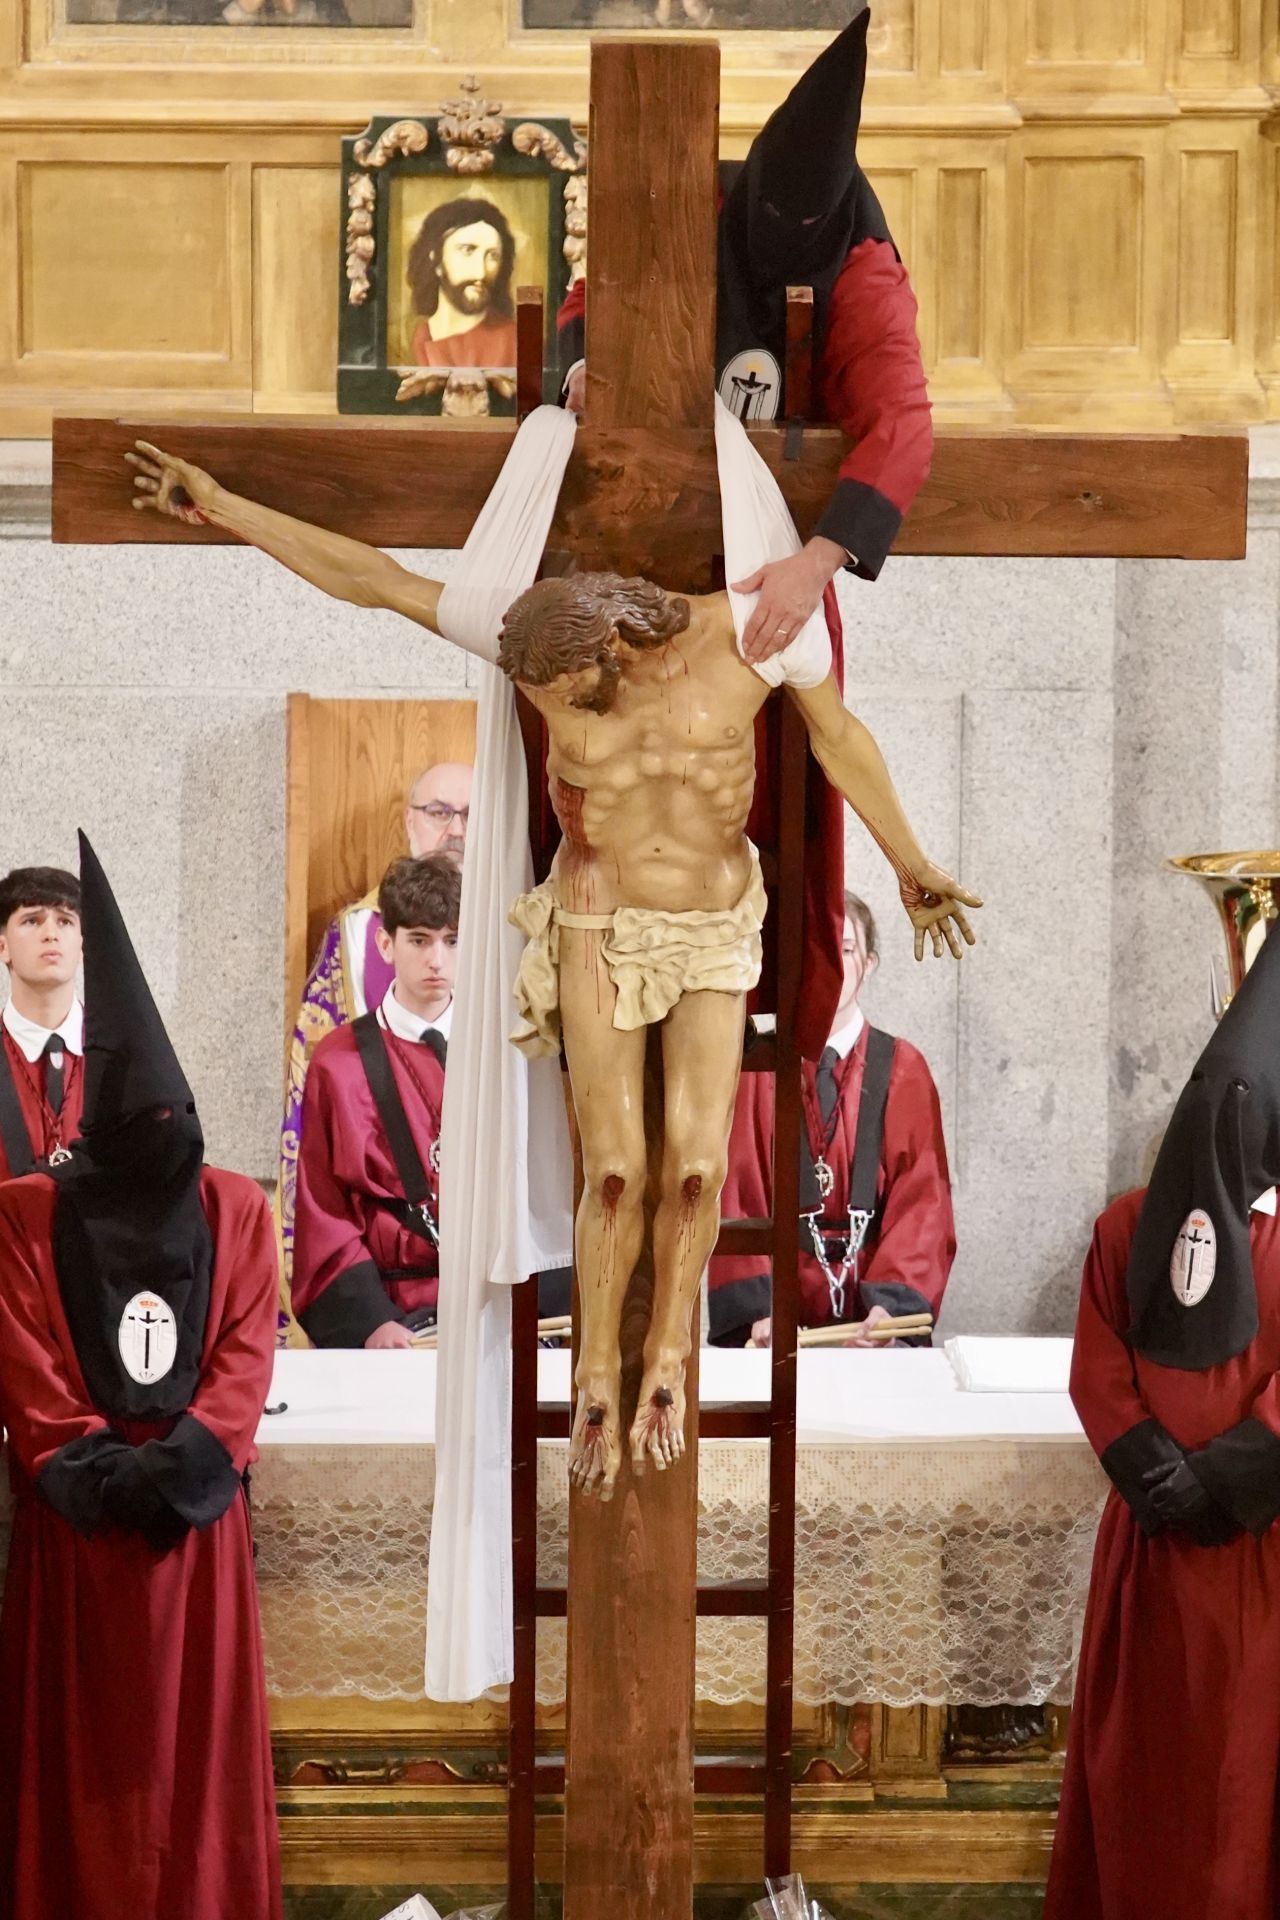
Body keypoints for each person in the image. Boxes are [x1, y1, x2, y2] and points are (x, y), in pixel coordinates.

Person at [125, 429, 983, 1494]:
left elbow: (839, 738)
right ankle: (594, 1374)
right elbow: (375, 580)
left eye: (580, 693)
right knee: (616, 1168)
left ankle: (668, 1352)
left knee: (698, 1164)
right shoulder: (535, 653)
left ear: (618, 648)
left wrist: (909, 863)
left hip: (715, 921)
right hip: (595, 916)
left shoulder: (749, 633)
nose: (563, 715)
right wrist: (224, 505)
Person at [0, 833, 281, 1920]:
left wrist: (182, 1468)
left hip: (186, 1534)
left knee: (191, 1757)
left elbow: (248, 1352)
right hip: (82, 1531)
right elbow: (24, 1355)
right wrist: (96, 1469)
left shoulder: (235, 1209)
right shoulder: (27, 1214)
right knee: (87, 1755)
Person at [558, 9, 932, 650]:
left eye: (804, 224)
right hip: (641, 521)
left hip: (774, 544)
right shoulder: (702, 202)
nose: (785, 230)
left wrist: (814, 566)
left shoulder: (864, 269)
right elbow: (591, 298)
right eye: (771, 212)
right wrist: (581, 371)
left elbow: (902, 427)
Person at [1044, 921, 1280, 1920]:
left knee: (1242, 1781)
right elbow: (1096, 1369)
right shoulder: (1120, 1228)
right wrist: (1165, 1482)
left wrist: (1215, 1481)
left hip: (1252, 1546)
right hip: (1156, 1552)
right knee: (1142, 1763)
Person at [710, 888, 955, 1345]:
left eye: (845, 950)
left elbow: (923, 1199)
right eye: (815, 951)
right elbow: (736, 1193)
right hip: (775, 1331)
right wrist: (757, 1313)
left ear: (869, 964)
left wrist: (891, 1309)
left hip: (875, 1328)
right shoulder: (755, 1070)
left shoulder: (903, 1068)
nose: (830, 967)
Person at [277, 758, 471, 1306]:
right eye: (440, 813)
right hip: (389, 1284)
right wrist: (363, 1316)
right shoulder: (358, 934)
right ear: (410, 821)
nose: (455, 830)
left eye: (471, 815)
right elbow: (328, 1159)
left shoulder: (524, 936)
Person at [291, 853, 458, 1348]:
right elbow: (324, 1206)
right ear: (386, 943)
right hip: (389, 1314)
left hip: (487, 1312)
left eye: (453, 941)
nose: (437, 960)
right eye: (420, 940)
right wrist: (370, 1322)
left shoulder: (501, 1054)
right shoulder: (338, 1062)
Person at [0, 866, 85, 1180]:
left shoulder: (125, 1056)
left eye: (65, 920)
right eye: (31, 920)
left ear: (82, 945)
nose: (51, 933)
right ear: (2, 946)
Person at [407, 197, 518, 369]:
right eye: (467, 250)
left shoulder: (517, 341)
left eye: (493, 256)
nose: (480, 273)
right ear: (436, 260)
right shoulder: (419, 336)